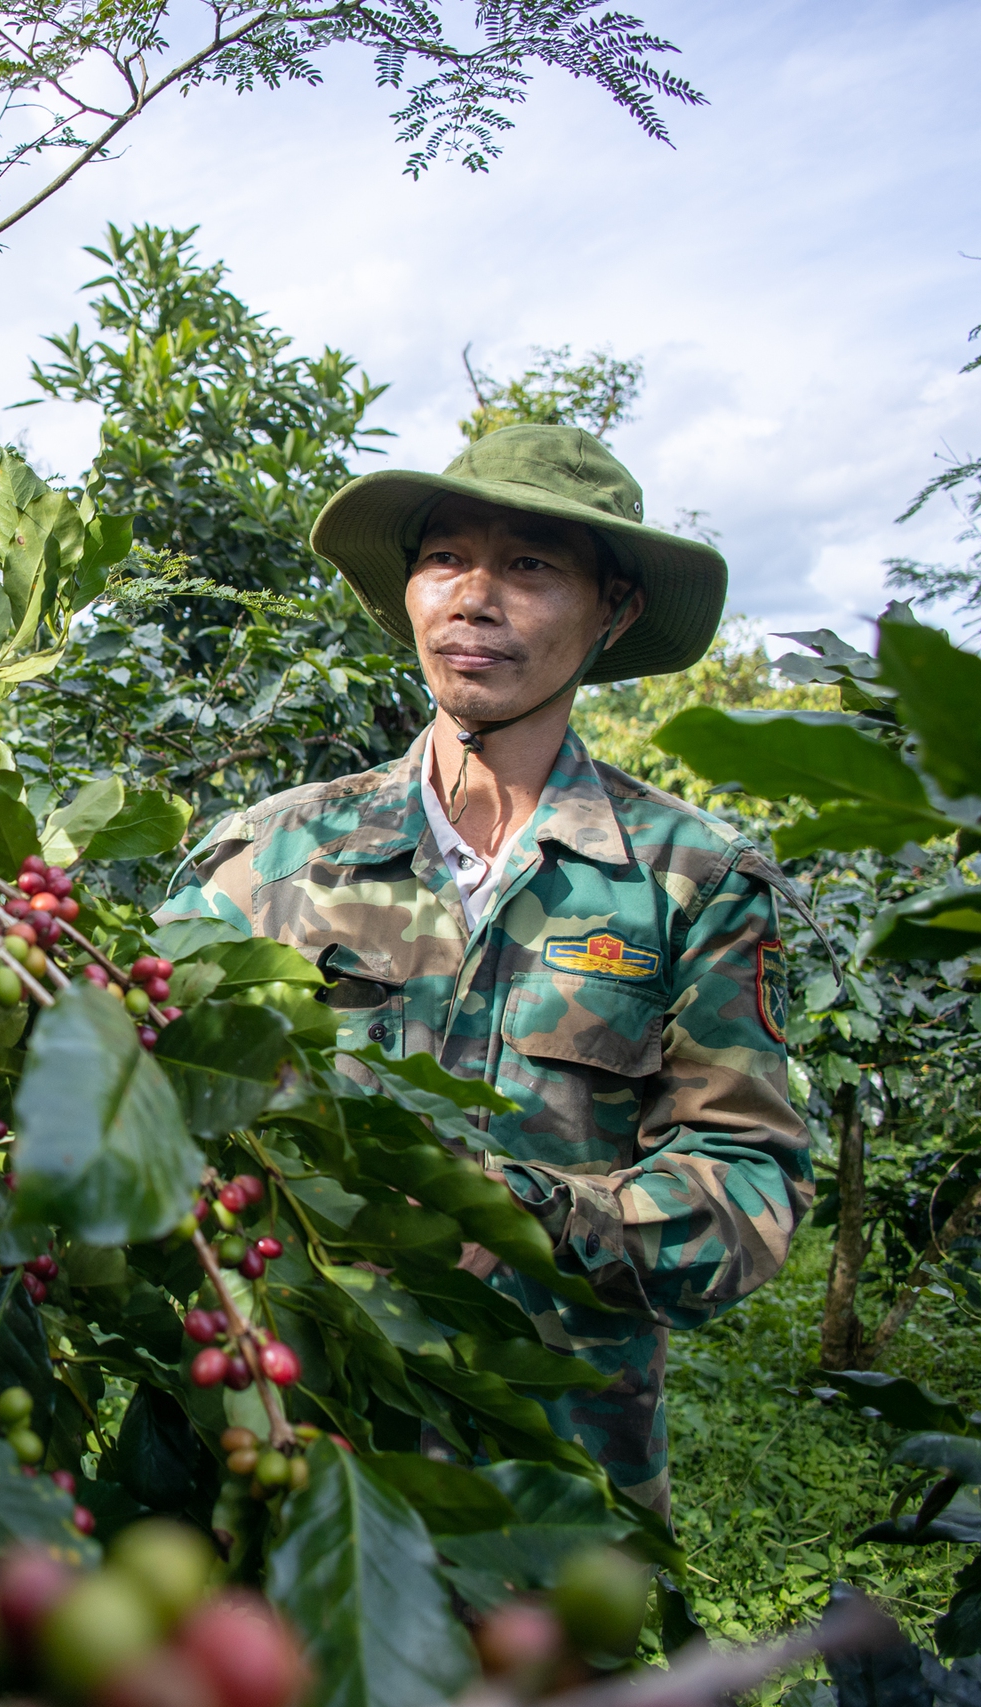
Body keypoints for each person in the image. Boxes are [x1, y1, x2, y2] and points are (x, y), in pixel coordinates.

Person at [158, 423, 813, 1518]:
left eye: (530, 567)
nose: (473, 598)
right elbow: (141, 1081)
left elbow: (746, 1193)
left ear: (615, 609)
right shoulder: (266, 856)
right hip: (280, 1452)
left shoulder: (689, 883)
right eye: (444, 558)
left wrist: (530, 1216)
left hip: (548, 1491)